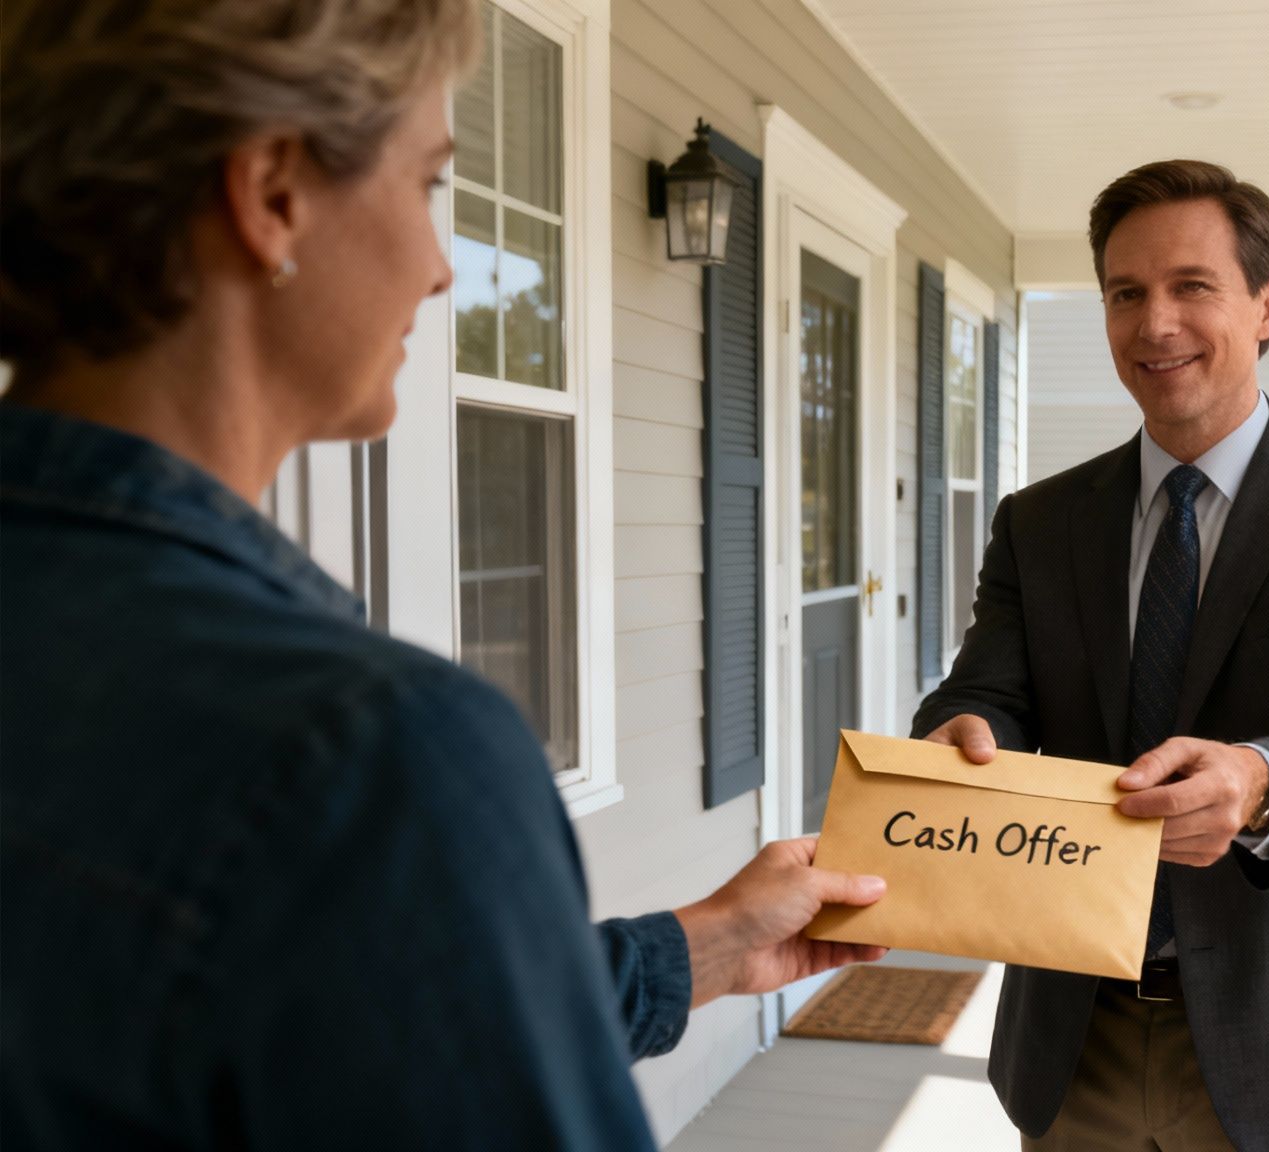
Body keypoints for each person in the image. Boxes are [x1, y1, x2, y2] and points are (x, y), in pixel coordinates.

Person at [0, 2, 885, 1148]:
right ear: (272, 192)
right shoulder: (364, 756)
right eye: (427, 187)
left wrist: (706, 943)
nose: (436, 269)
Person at [916, 159, 1269, 1151]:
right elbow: (986, 691)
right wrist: (964, 737)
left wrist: (1258, 780)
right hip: (1075, 1034)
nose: (1152, 323)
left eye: (1190, 287)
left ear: (1266, 306)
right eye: (1125, 293)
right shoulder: (1038, 522)